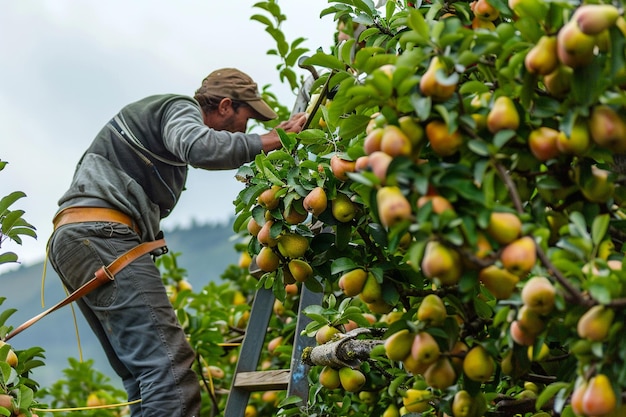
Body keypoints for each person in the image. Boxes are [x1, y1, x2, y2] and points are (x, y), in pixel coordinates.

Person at [46, 68, 308, 417]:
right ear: (226, 106)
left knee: (144, 375)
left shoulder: (160, 127)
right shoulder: (179, 108)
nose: (247, 129)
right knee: (170, 371)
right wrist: (269, 140)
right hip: (102, 236)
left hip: (80, 239)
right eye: (247, 119)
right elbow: (199, 146)